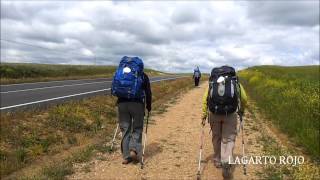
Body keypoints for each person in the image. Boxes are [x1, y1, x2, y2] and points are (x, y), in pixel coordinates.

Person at [201, 65, 247, 179]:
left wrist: (203, 114)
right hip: (230, 114)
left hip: (214, 114)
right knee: (228, 138)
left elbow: (205, 99)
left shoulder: (212, 83)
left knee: (216, 137)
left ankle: (217, 160)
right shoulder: (234, 82)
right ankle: (226, 161)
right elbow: (244, 98)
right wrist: (241, 111)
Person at [112, 56, 152, 164]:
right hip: (137, 104)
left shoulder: (122, 74)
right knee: (137, 128)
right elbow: (148, 92)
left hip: (122, 104)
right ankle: (134, 150)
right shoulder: (143, 76)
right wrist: (149, 106)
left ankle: (126, 156)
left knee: (125, 130)